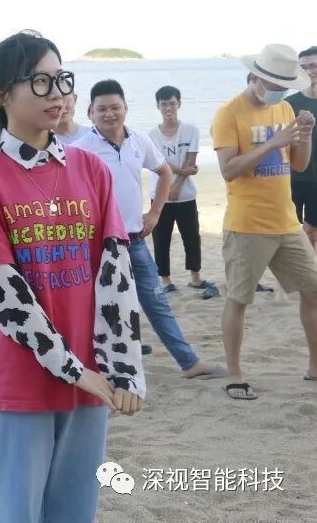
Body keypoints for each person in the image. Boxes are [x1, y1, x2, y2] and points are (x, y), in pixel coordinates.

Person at [0, 30, 144, 523]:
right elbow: (2, 294)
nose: (57, 92)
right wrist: (72, 368)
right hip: (21, 380)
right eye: (40, 81)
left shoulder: (90, 168)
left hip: (92, 378)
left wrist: (124, 368)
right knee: (14, 513)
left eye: (62, 79)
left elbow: (115, 273)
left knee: (75, 512)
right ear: (1, 94)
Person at [73, 80, 221, 380]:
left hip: (135, 239)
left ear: (126, 108)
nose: (109, 114)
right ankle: (90, 367)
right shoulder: (80, 150)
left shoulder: (139, 140)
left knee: (156, 301)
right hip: (98, 244)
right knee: (97, 307)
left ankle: (189, 363)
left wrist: (155, 212)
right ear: (90, 113)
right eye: (102, 109)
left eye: (115, 107)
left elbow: (164, 171)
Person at [211, 43, 317, 400]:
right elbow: (228, 170)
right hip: (247, 225)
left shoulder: (285, 108)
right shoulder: (229, 113)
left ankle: (315, 366)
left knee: (313, 289)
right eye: (274, 85)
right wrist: (273, 143)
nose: (279, 92)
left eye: (284, 86)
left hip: (286, 221)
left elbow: (298, 164)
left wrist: (305, 134)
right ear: (255, 77)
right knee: (239, 299)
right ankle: (235, 374)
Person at [148, 86, 212, 293]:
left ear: (179, 104)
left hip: (186, 195)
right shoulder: (151, 135)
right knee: (161, 239)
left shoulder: (191, 130)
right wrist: (183, 172)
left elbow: (191, 161)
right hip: (159, 195)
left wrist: (177, 184)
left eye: (172, 103)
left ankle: (196, 278)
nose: (168, 108)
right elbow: (159, 164)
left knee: (192, 237)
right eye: (164, 104)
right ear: (158, 106)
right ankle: (166, 281)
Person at [287, 45, 317, 249]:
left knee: (311, 229)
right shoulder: (288, 104)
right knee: (289, 231)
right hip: (292, 178)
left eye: (313, 66)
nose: (309, 72)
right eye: (304, 67)